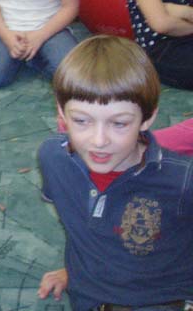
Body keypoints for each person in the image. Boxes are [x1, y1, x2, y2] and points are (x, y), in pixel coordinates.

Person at [37, 35, 193, 309]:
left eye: (119, 123)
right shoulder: (53, 158)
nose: (99, 141)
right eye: (81, 120)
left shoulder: (182, 180)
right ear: (61, 112)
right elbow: (83, 226)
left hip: (161, 297)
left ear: (147, 117)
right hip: (88, 294)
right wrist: (76, 270)